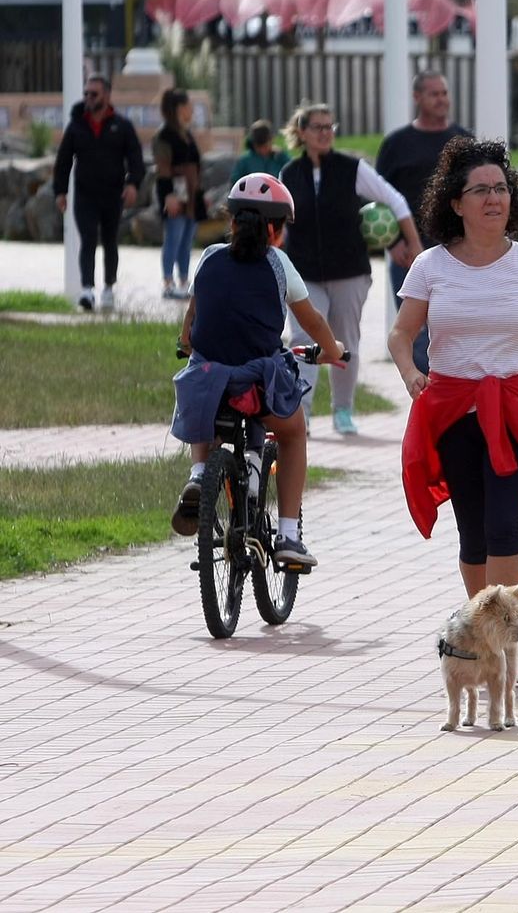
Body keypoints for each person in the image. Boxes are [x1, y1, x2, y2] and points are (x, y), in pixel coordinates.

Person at [391, 137, 518, 609]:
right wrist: (409, 372)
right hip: (452, 412)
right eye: (480, 190)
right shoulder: (431, 265)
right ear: (455, 204)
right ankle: (482, 627)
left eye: (501, 188)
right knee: (472, 531)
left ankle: (503, 637)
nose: (494, 198)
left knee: (504, 524)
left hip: (516, 411)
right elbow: (401, 334)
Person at [171, 173, 345, 567]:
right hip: (258, 381)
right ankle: (287, 535)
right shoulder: (278, 263)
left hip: (210, 378)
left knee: (202, 397)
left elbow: (193, 314)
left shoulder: (210, 257)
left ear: (231, 222)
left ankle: (200, 474)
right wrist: (332, 350)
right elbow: (312, 321)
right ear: (276, 230)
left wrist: (187, 343)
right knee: (293, 431)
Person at [278, 101, 421, 435]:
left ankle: (343, 410)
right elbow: (281, 222)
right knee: (303, 339)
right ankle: (303, 413)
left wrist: (409, 244)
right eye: (318, 127)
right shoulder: (289, 174)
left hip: (349, 272)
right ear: (302, 132)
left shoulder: (351, 168)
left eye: (330, 127)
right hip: (303, 273)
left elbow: (394, 200)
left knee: (345, 341)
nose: (326, 133)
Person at [377, 70, 472, 375]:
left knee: (455, 332)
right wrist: (393, 243)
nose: (442, 99)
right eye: (435, 94)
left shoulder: (464, 142)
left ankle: (450, 405)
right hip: (409, 256)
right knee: (417, 336)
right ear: (417, 97)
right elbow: (379, 200)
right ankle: (431, 404)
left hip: (458, 253)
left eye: (445, 93)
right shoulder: (396, 144)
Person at [52, 74, 145, 313]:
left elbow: (135, 158)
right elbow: (63, 161)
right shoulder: (76, 126)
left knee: (110, 240)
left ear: (106, 95)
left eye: (93, 94)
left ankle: (109, 288)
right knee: (88, 239)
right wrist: (60, 191)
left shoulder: (122, 126)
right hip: (85, 195)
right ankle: (87, 290)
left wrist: (133, 183)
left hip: (113, 195)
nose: (88, 98)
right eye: (86, 94)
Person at [153, 88, 205, 299]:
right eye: (187, 106)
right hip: (174, 194)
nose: (191, 110)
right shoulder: (164, 136)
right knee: (173, 238)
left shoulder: (188, 134)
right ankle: (167, 282)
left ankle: (184, 281)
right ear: (177, 109)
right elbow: (162, 169)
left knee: (186, 240)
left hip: (191, 195)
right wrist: (168, 196)